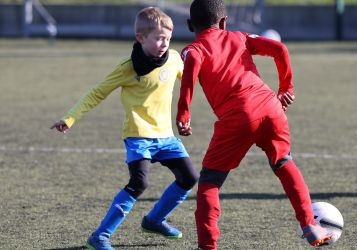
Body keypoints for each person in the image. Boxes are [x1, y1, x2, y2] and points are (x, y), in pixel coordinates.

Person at [175, 0, 332, 249]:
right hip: (271, 108)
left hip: (238, 117)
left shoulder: (193, 49)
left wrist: (183, 115)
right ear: (224, 22)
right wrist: (286, 88)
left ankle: (207, 246)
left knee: (209, 181)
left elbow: (190, 74)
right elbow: (280, 49)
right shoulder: (239, 37)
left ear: (189, 25)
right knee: (283, 163)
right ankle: (309, 224)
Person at [50, 7, 198, 250]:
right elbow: (96, 93)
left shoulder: (173, 59)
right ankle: (100, 236)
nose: (164, 43)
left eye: (168, 39)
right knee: (139, 183)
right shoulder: (127, 68)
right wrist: (70, 118)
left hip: (166, 136)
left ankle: (154, 220)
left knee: (189, 177)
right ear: (140, 38)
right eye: (159, 38)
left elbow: (192, 79)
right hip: (138, 135)